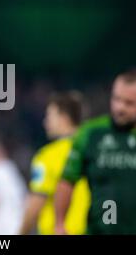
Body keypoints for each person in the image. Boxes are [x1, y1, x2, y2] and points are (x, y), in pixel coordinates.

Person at [54, 68, 136, 235]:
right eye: (116, 99)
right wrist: (59, 224)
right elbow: (67, 180)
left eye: (129, 103)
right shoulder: (91, 135)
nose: (119, 108)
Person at [20, 91, 90, 235]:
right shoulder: (93, 150)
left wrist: (22, 232)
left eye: (49, 116)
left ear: (63, 118)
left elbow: (36, 202)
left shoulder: (48, 156)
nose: (45, 122)